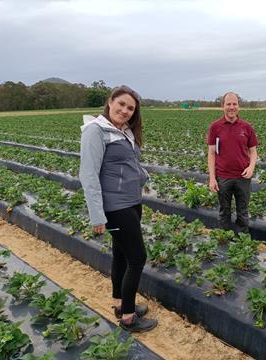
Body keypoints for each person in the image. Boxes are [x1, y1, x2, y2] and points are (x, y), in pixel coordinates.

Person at [79, 85, 157, 333]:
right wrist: (97, 215)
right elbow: (88, 175)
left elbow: (129, 162)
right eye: (121, 104)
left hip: (132, 203)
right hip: (115, 207)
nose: (125, 110)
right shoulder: (95, 131)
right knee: (137, 258)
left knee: (122, 255)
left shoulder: (123, 131)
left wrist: (141, 176)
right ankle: (129, 318)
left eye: (130, 108)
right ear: (110, 101)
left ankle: (120, 304)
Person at [207, 92, 258, 233]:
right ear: (223, 106)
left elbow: (253, 151)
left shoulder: (246, 127)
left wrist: (251, 167)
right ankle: (225, 240)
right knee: (224, 212)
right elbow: (211, 154)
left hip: (243, 177)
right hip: (223, 177)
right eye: (228, 104)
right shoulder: (215, 127)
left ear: (239, 106)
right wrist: (212, 178)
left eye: (234, 104)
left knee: (243, 212)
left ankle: (242, 241)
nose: (231, 107)